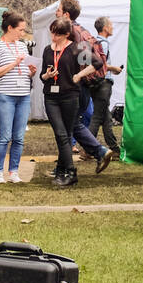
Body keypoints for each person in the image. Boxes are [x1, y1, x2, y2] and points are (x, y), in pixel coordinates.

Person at [56, 0, 116, 173]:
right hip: (81, 86)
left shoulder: (74, 33)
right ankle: (69, 164)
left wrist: (76, 74)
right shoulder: (81, 30)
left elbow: (91, 60)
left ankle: (96, 153)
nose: (56, 13)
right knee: (71, 124)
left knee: (69, 125)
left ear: (66, 15)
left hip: (77, 86)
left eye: (58, 10)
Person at [0, 10, 35, 184]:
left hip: (23, 95)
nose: (22, 33)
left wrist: (31, 72)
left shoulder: (22, 46)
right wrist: (14, 63)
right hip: (5, 96)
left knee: (19, 137)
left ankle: (14, 171)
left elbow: (24, 70)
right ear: (10, 28)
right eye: (20, 30)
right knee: (4, 136)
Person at [41, 17, 87, 188]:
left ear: (67, 34)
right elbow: (42, 76)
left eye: (58, 34)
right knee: (61, 134)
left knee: (66, 135)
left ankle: (64, 171)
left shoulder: (77, 48)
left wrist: (80, 75)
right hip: (51, 97)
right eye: (52, 32)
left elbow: (97, 63)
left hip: (70, 96)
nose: (54, 37)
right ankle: (69, 170)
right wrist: (47, 76)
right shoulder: (47, 50)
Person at [90, 16, 121, 151]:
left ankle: (114, 148)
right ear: (105, 28)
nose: (112, 27)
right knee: (97, 116)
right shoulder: (103, 43)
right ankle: (88, 148)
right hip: (103, 83)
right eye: (111, 25)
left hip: (97, 83)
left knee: (106, 116)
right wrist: (114, 68)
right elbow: (99, 64)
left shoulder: (94, 42)